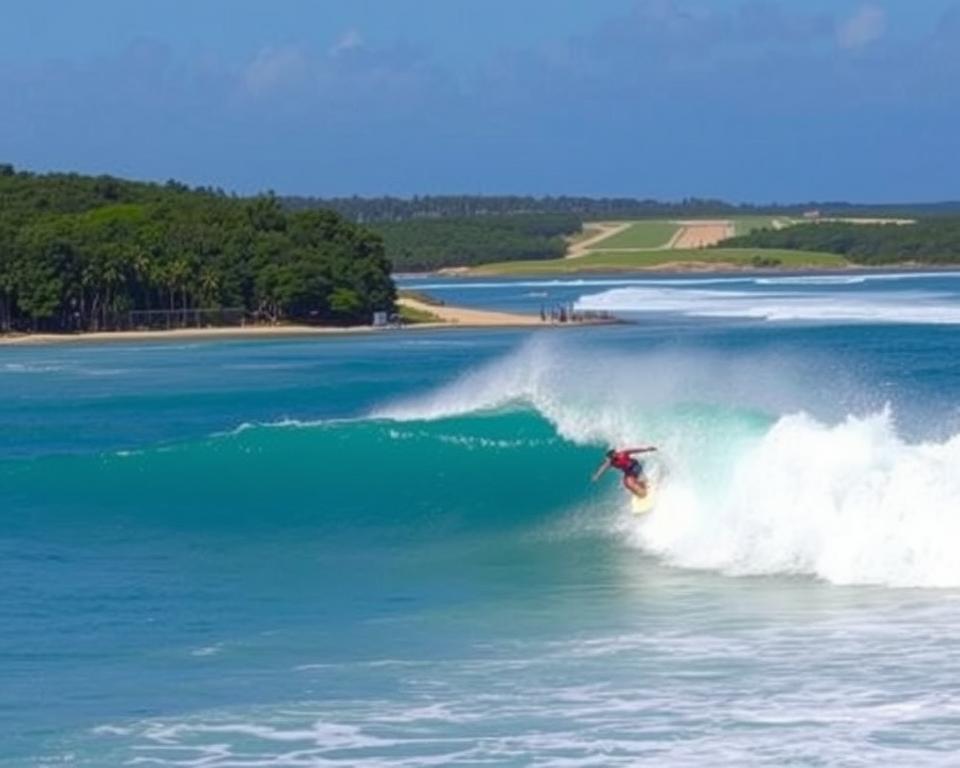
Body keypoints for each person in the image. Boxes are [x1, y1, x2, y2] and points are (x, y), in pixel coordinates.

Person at [592, 446, 657, 499]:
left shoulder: (623, 453)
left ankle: (645, 487)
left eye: (613, 453)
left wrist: (647, 449)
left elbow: (636, 450)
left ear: (614, 452)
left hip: (635, 467)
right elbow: (603, 468)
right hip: (628, 472)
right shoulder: (611, 462)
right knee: (627, 483)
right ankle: (640, 492)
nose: (612, 455)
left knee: (640, 480)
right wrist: (597, 475)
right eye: (610, 455)